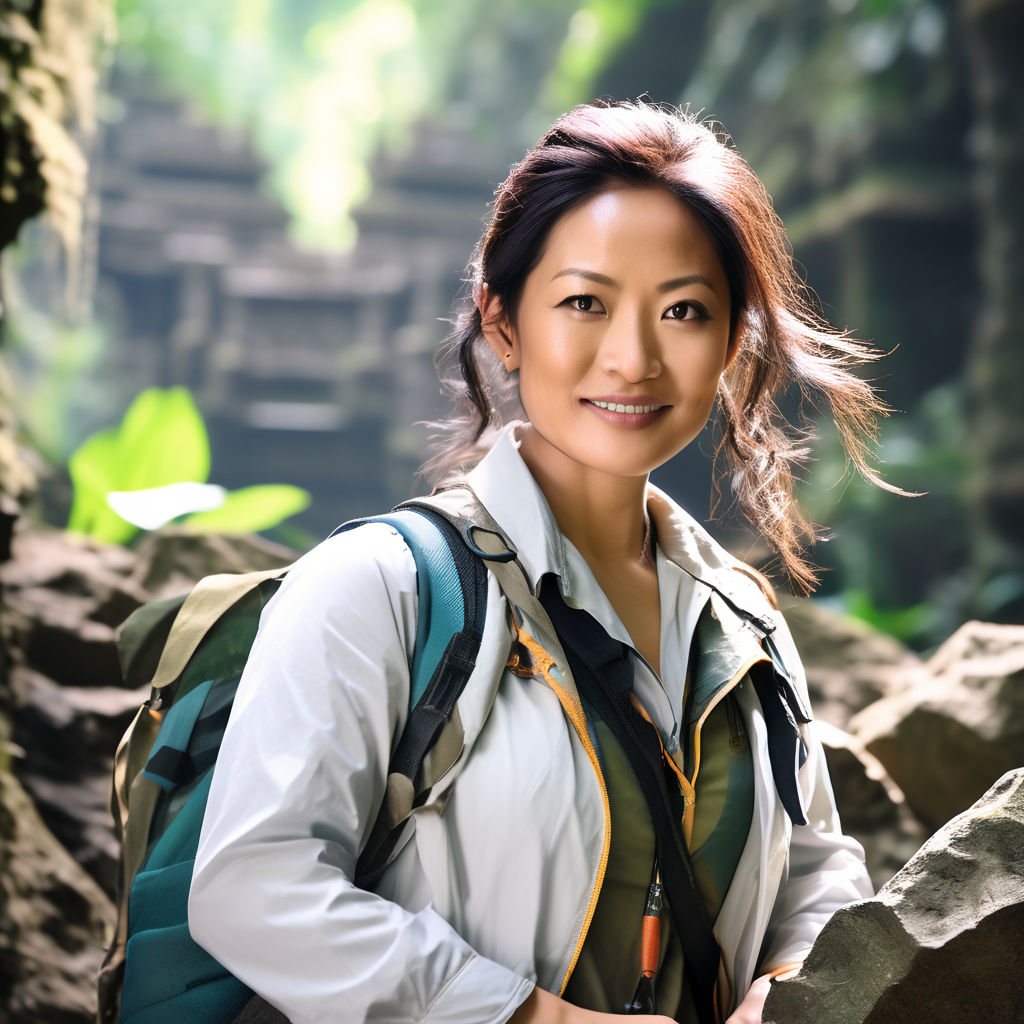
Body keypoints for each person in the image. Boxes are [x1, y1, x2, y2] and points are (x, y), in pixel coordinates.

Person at [189, 99, 887, 1024]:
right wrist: (532, 1018)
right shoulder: (381, 592)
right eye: (584, 303)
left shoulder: (741, 623)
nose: (633, 357)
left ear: (730, 341)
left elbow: (816, 863)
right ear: (504, 321)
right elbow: (253, 888)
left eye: (683, 310)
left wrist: (786, 983)